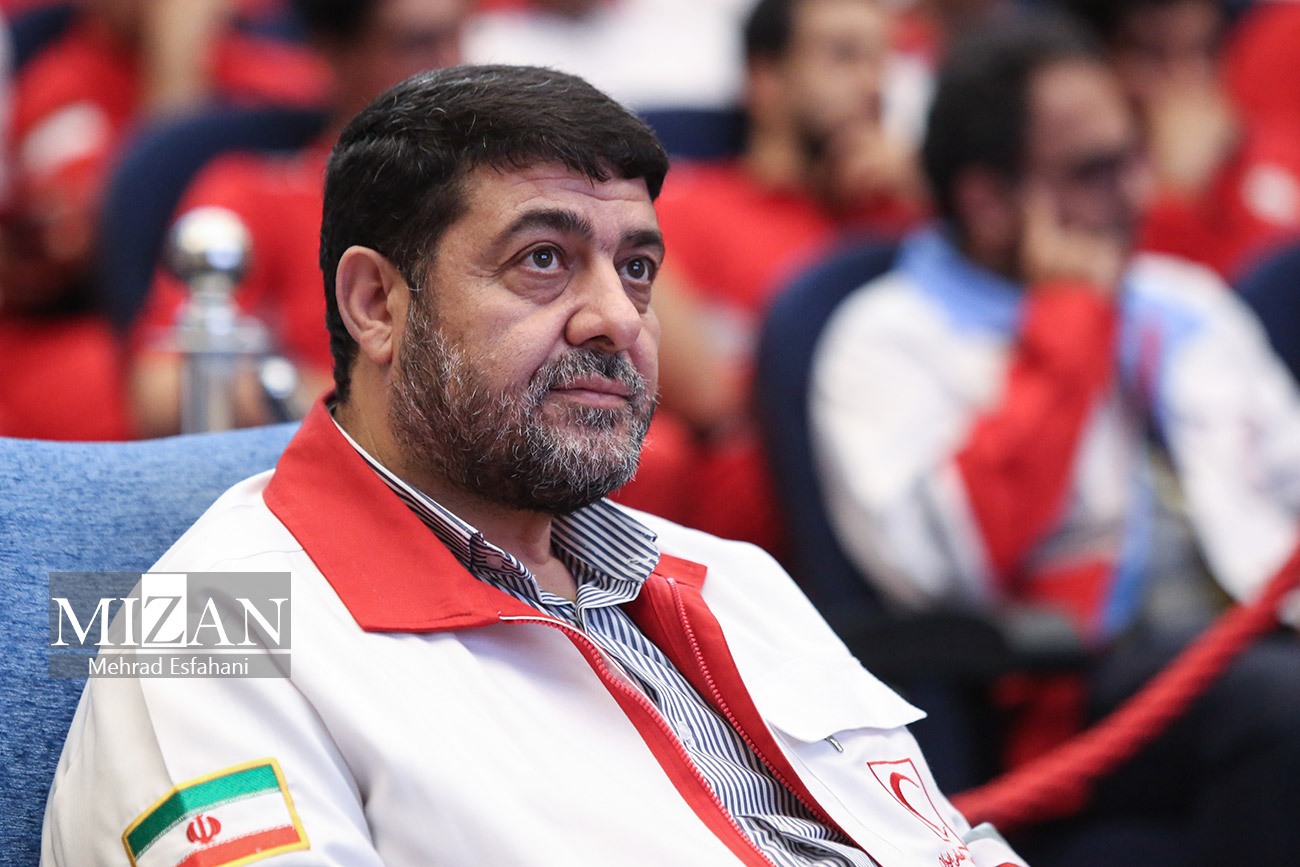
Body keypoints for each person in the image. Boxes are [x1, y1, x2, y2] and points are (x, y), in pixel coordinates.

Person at [41, 64, 1028, 867]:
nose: (616, 318)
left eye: (636, 267)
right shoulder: (209, 634)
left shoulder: (734, 580)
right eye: (543, 260)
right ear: (377, 305)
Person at [809, 15, 1300, 864]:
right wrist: (1065, 329)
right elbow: (951, 559)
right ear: (987, 201)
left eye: (1135, 155)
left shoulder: (1181, 301)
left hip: (1255, 636)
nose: (1139, 193)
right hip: (1076, 689)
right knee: (1283, 707)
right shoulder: (885, 340)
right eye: (1094, 172)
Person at [650, 0, 926, 552]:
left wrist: (925, 191)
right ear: (766, 78)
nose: (873, 84)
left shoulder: (907, 216)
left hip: (903, 509)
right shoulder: (684, 211)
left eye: (882, 61)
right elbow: (711, 399)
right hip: (756, 538)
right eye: (844, 56)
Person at [127, 0, 469, 438]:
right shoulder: (256, 191)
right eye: (416, 44)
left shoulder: (494, 194)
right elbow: (162, 389)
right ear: (334, 53)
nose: (451, 67)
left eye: (457, 37)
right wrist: (391, 409)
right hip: (322, 454)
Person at [1066, 0, 1300, 279]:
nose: (1184, 78)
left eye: (1202, 51)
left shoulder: (1271, 149)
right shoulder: (1073, 178)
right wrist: (1174, 194)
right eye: (1152, 55)